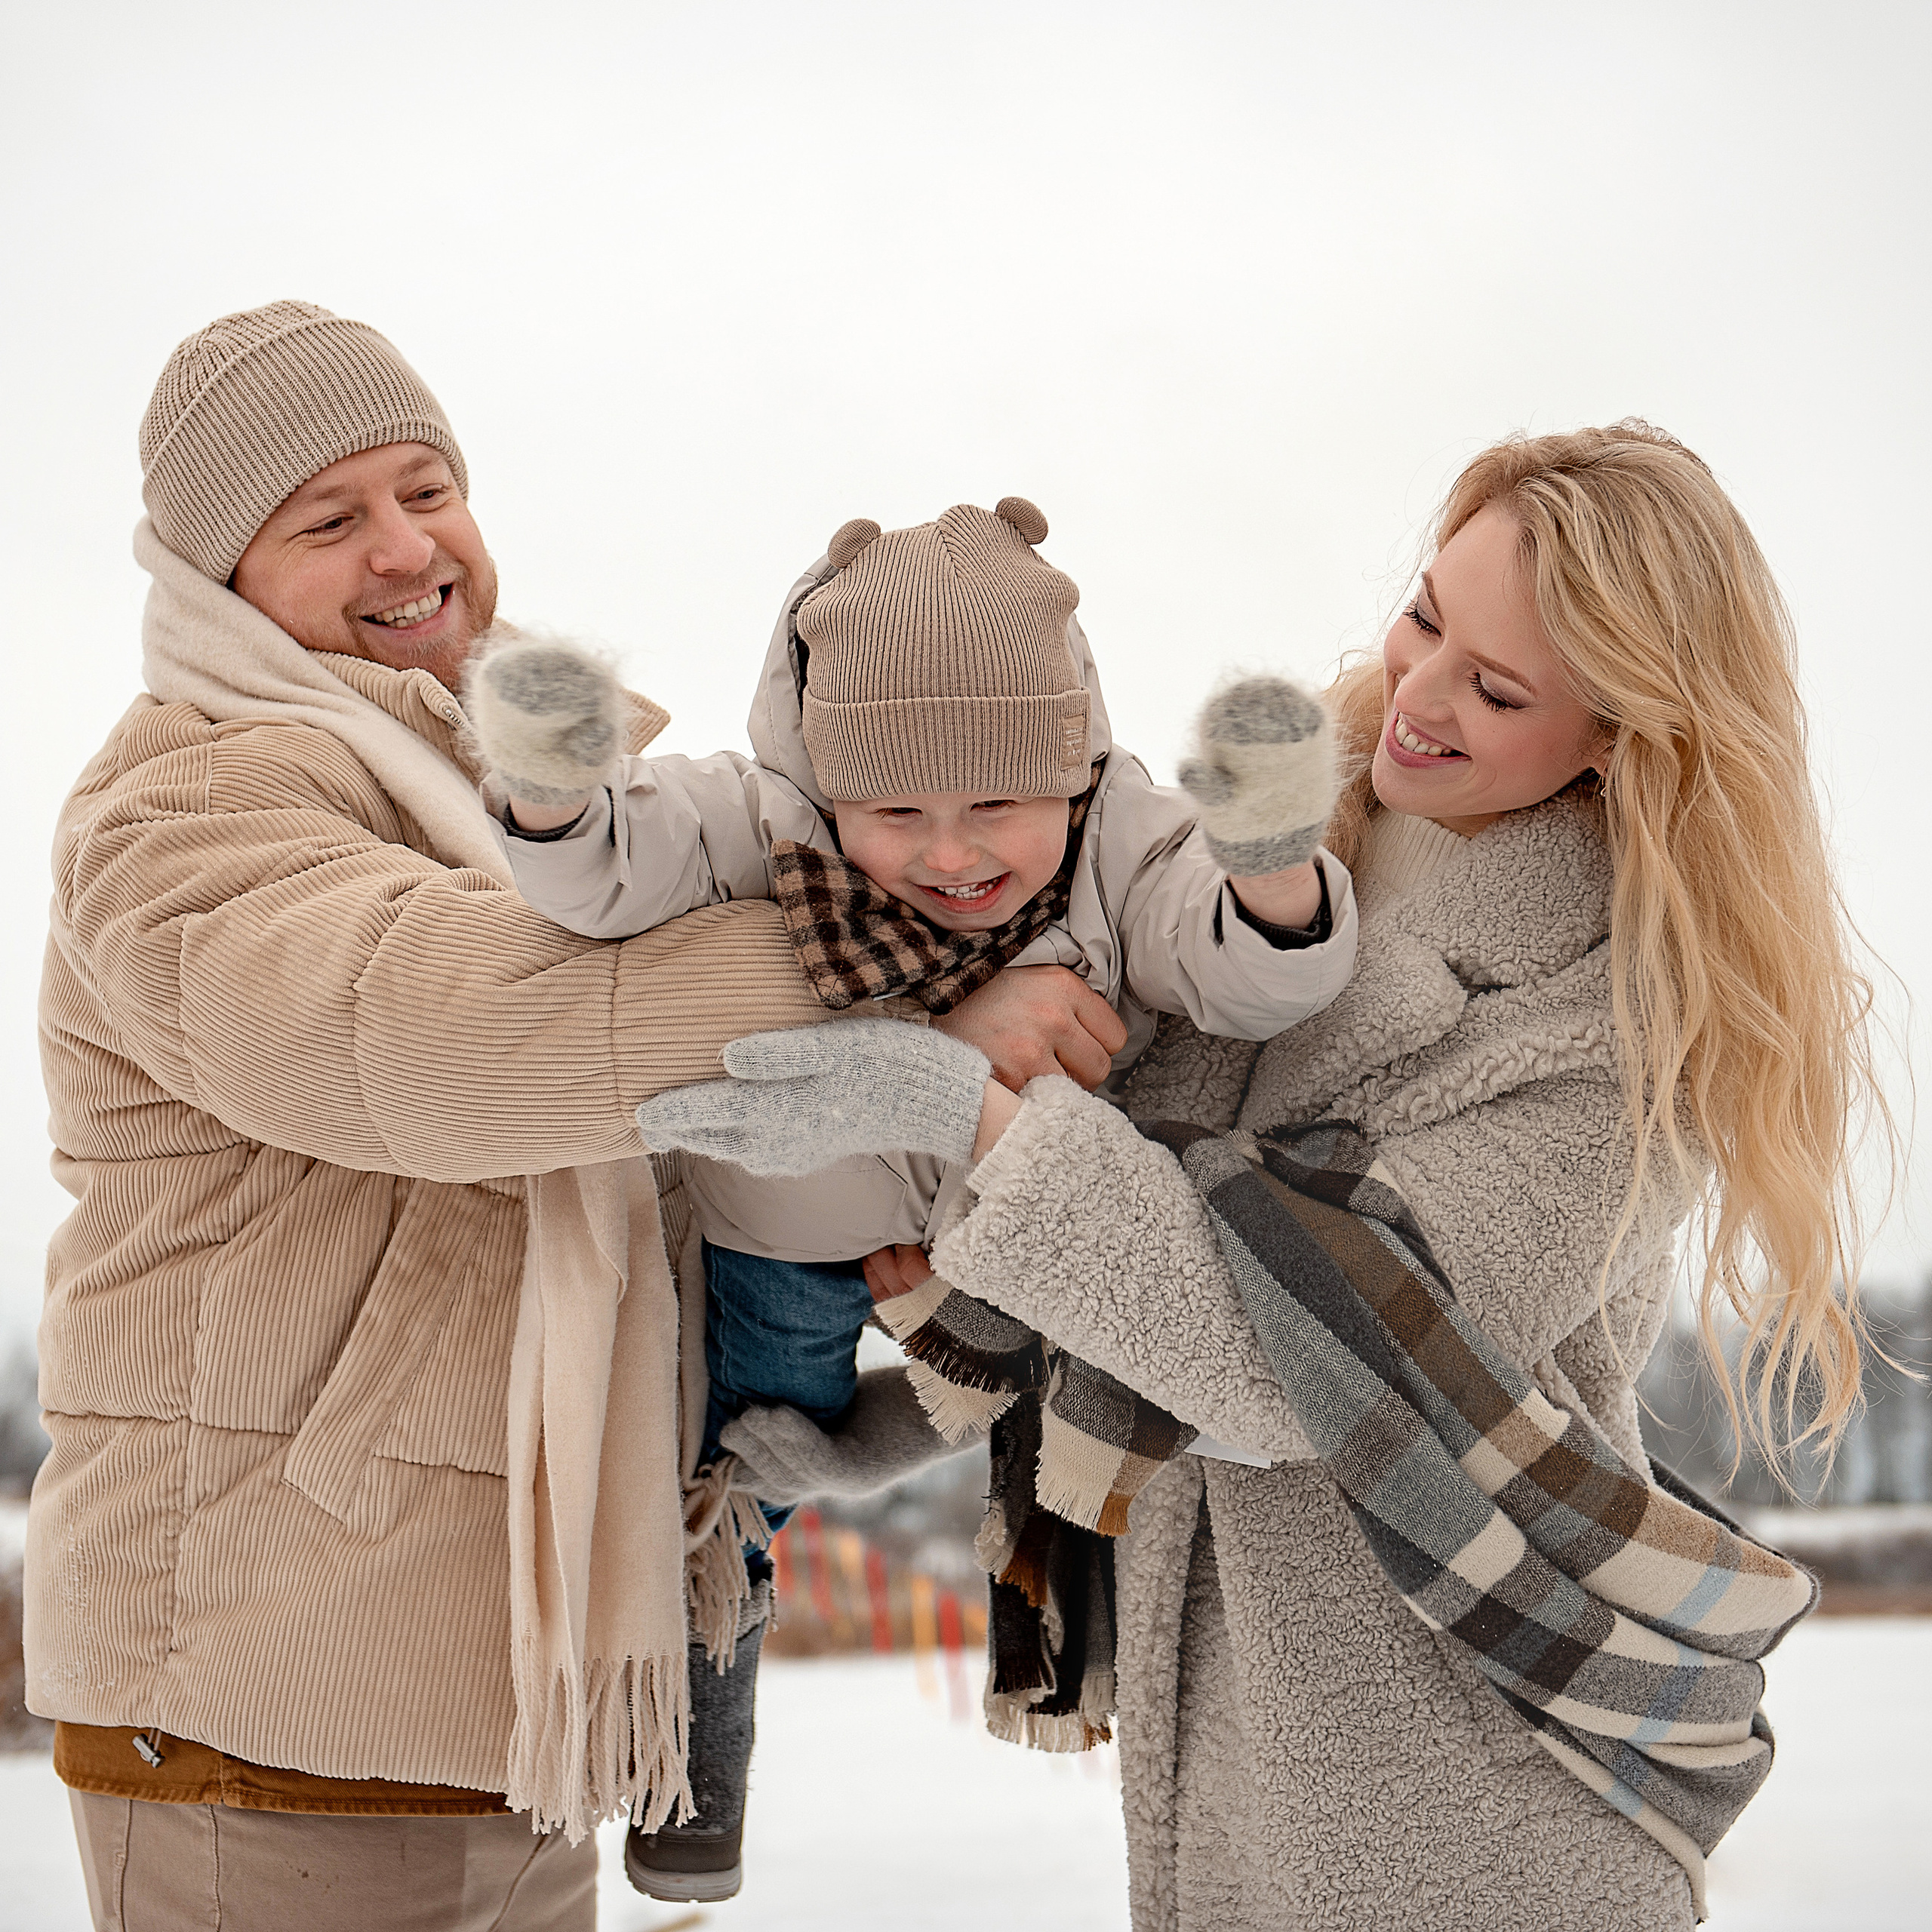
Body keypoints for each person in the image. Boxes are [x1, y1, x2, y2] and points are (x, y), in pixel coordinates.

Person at [639, 423, 1884, 1932]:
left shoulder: (1614, 1045)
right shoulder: (1270, 878)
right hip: (1230, 1740)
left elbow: (1291, 1369)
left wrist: (948, 1098)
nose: (1417, 694)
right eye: (1425, 617)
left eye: (1496, 688)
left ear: (1620, 735)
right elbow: (1119, 1253)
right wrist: (905, 1415)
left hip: (1469, 1781)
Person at [27, 300, 1109, 1932]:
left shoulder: (535, 808)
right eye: (328, 517)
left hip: (506, 1718)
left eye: (427, 487)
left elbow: (675, 1163)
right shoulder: (187, 801)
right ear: (215, 573)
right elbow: (440, 1038)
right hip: (263, 1706)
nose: (407, 545)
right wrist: (910, 973)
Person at [460, 497, 1361, 1899]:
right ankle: (695, 1782)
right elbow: (615, 879)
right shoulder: (763, 817)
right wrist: (555, 798)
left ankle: (1117, 1702)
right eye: (897, 816)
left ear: (1071, 768)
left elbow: (1240, 970)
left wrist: (1273, 865)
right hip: (785, 1239)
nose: (951, 857)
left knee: (1067, 1429)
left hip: (1012, 1257)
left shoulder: (1123, 841)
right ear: (831, 787)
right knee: (733, 1482)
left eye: (996, 807)